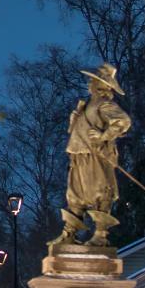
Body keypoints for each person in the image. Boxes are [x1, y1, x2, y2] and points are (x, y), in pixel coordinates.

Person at [56, 64, 131, 249]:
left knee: (100, 191)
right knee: (75, 195)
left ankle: (101, 234)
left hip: (95, 155)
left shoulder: (104, 104)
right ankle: (69, 233)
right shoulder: (86, 105)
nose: (90, 83)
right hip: (78, 153)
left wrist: (104, 136)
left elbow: (123, 121)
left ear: (100, 84)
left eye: (93, 80)